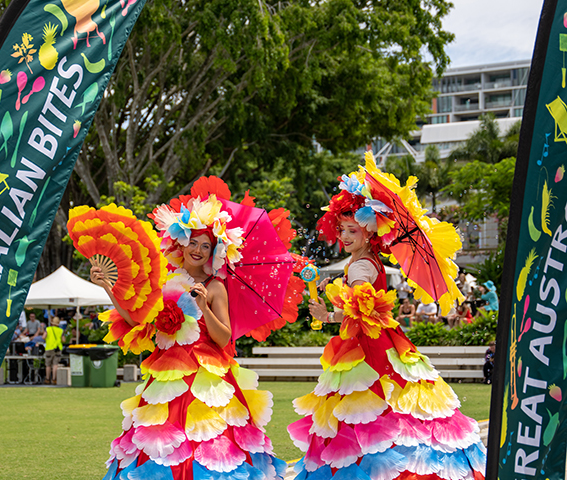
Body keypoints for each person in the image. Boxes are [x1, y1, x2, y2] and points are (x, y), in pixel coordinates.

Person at [289, 153, 485, 479]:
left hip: (368, 349)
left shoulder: (361, 267)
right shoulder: (371, 262)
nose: (345, 237)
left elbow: (361, 313)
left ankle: (380, 468)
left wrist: (328, 314)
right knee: (399, 404)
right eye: (342, 230)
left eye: (352, 230)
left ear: (369, 232)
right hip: (389, 343)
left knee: (369, 408)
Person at [79, 185, 288, 479]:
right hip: (167, 372)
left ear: (214, 251)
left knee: (209, 437)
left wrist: (204, 304)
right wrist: (108, 288)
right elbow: (136, 318)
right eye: (193, 242)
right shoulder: (166, 280)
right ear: (181, 244)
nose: (198, 250)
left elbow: (224, 337)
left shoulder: (215, 287)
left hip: (207, 374)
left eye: (206, 246)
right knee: (162, 436)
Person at [44, 316, 64, 385]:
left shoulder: (48, 329)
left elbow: (43, 337)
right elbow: (63, 340)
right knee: (55, 364)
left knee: (48, 365)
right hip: (57, 349)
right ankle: (54, 379)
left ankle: (47, 379)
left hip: (49, 348)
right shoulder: (61, 330)